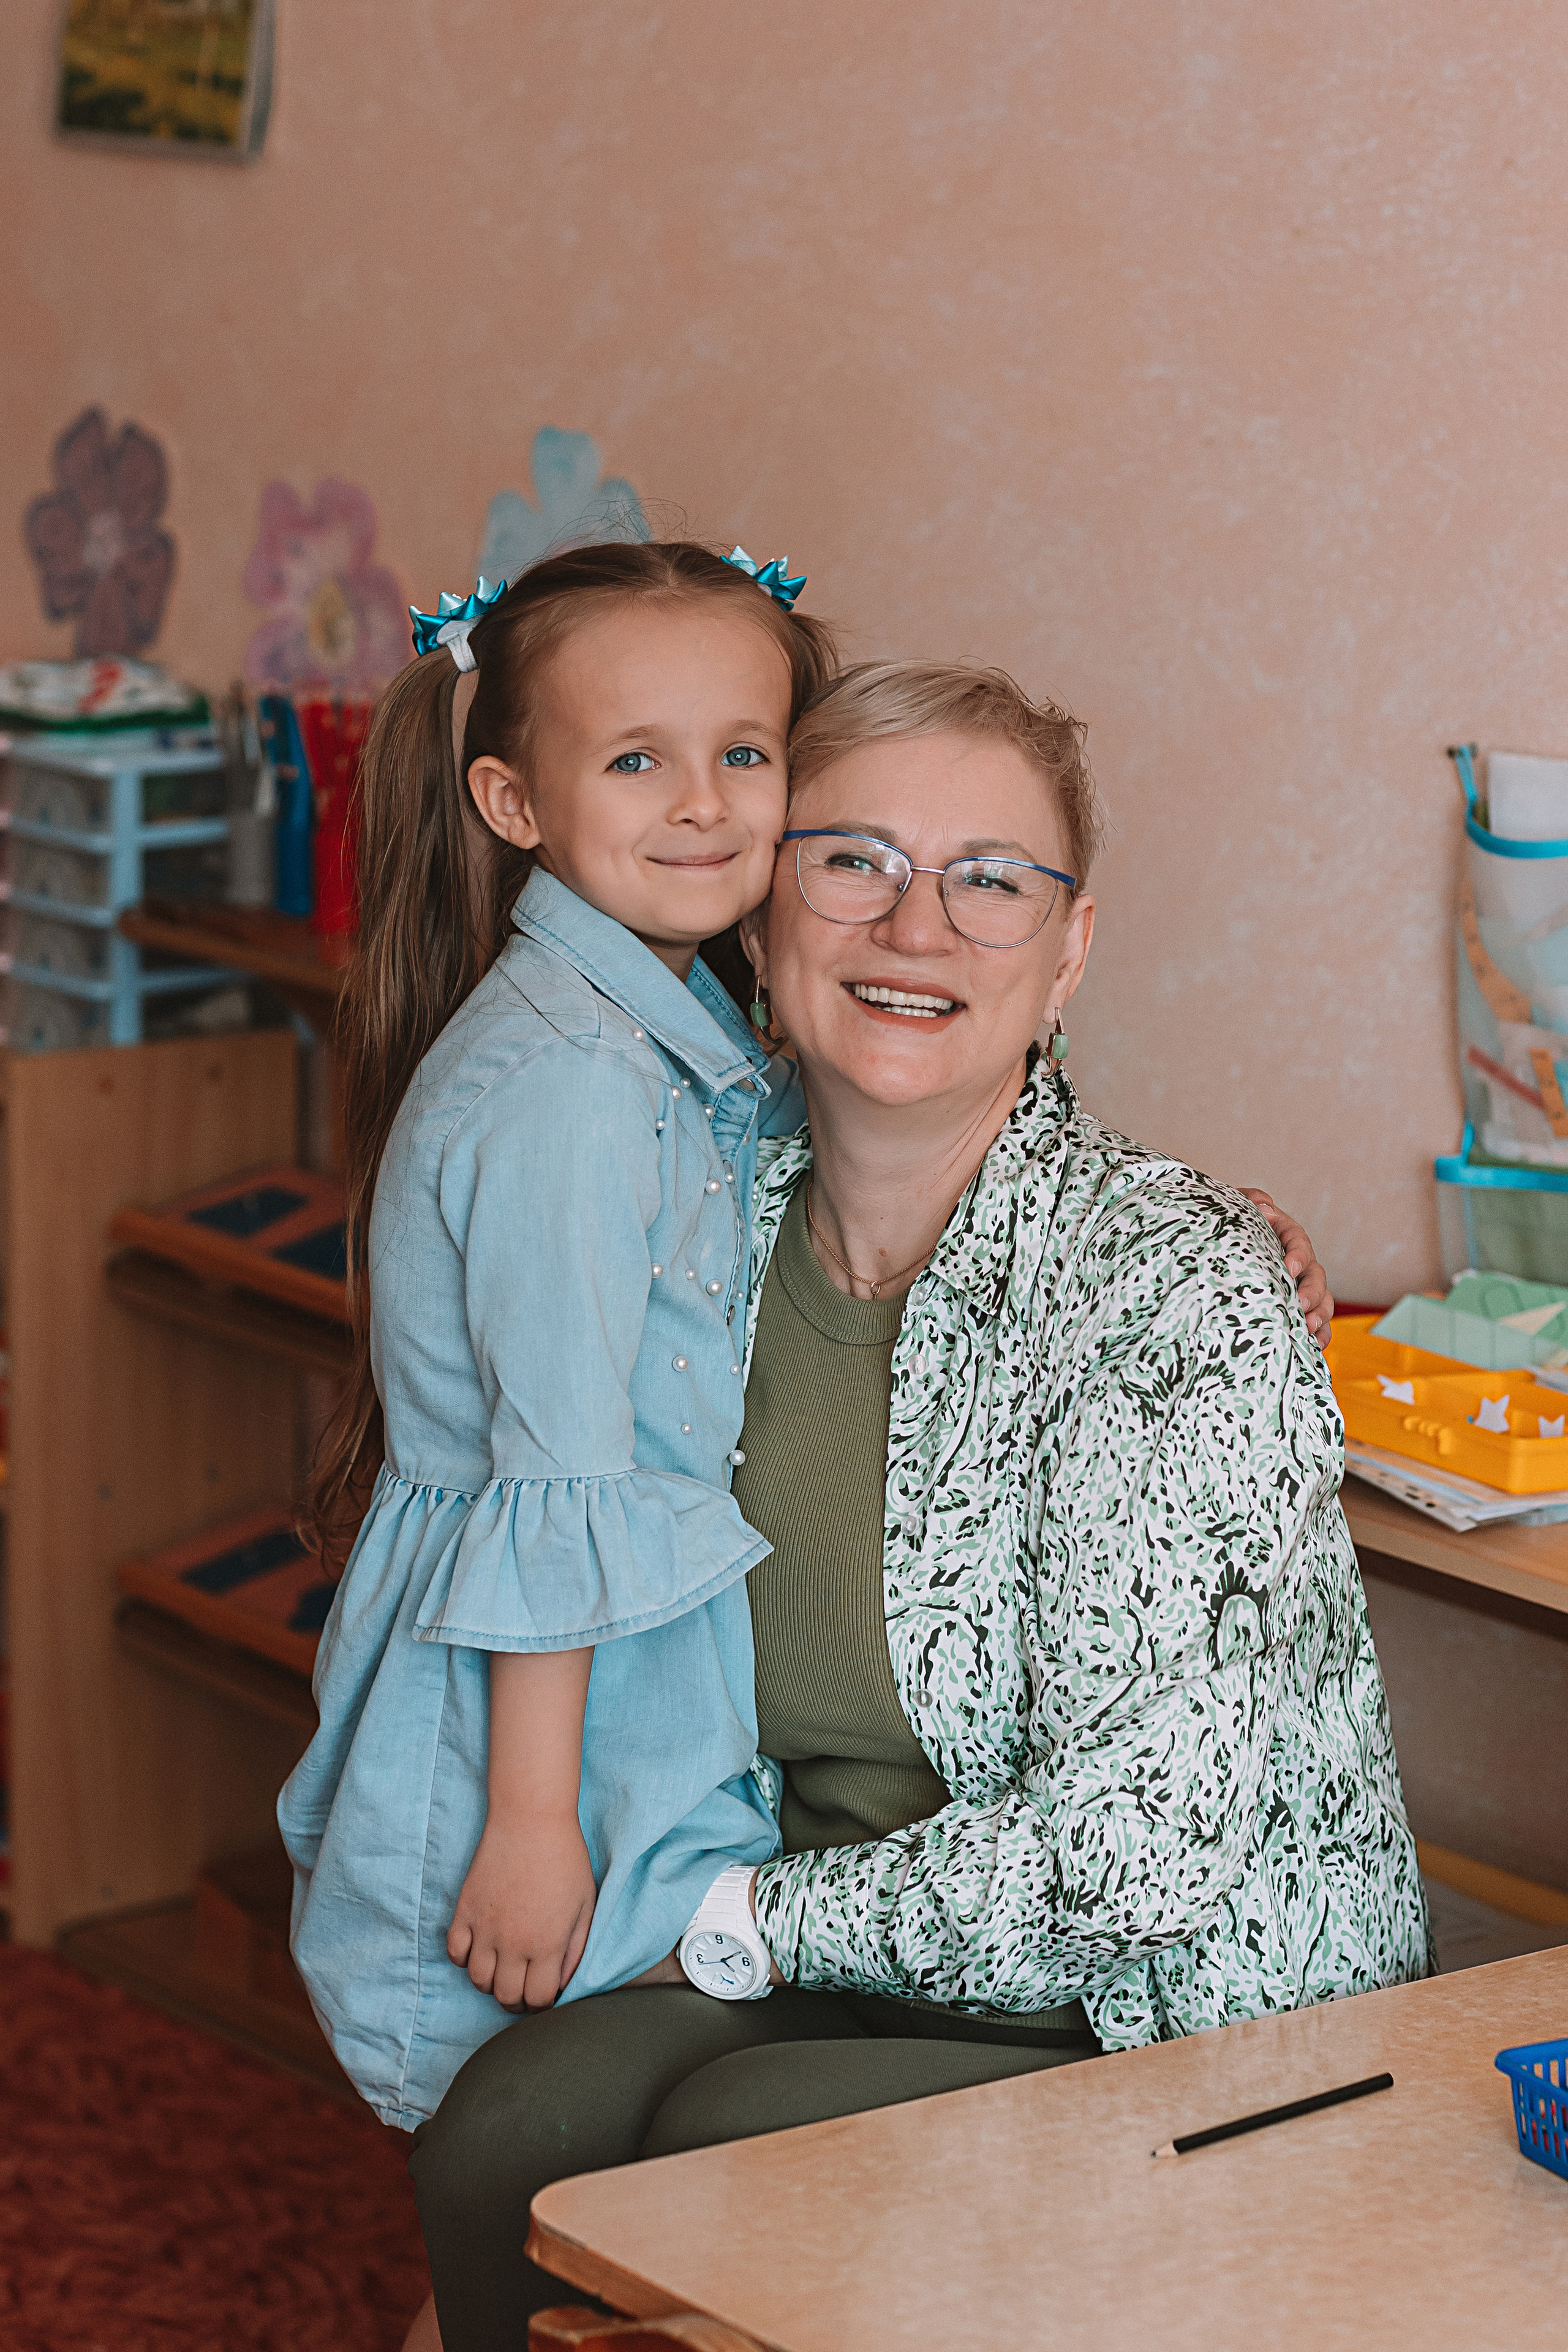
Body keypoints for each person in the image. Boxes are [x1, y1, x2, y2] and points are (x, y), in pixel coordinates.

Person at [404, 657, 1427, 2352]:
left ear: (1069, 947)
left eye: (990, 881)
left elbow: (1136, 1857)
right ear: (761, 911)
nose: (916, 925)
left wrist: (728, 1927)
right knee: (511, 2132)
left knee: (735, 2176)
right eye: (852, 860)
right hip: (829, 1949)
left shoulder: (1171, 1282)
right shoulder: (690, 1218)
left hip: (1161, 2015)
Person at [278, 541, 839, 2127]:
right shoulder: (576, 1086)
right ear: (516, 803)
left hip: (622, 1651)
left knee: (562, 2205)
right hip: (544, 1702)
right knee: (528, 2180)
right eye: (637, 759)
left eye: (746, 753)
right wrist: (534, 1821)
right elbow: (558, 1474)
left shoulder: (648, 1030)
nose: (706, 803)